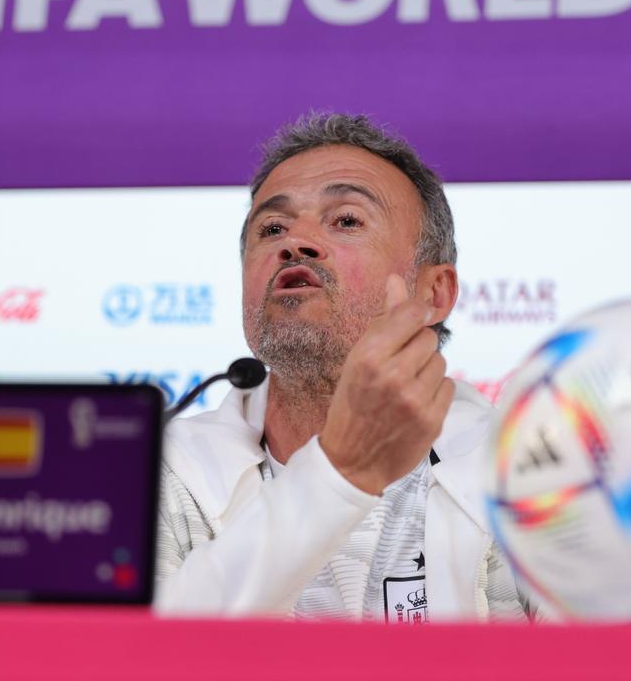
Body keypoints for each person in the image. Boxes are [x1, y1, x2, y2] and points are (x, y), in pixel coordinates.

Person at [154, 113, 529, 622]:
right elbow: (130, 655)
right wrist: (342, 472)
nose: (296, 243)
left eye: (346, 220)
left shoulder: (523, 469)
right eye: (273, 227)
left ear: (434, 292)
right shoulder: (164, 474)